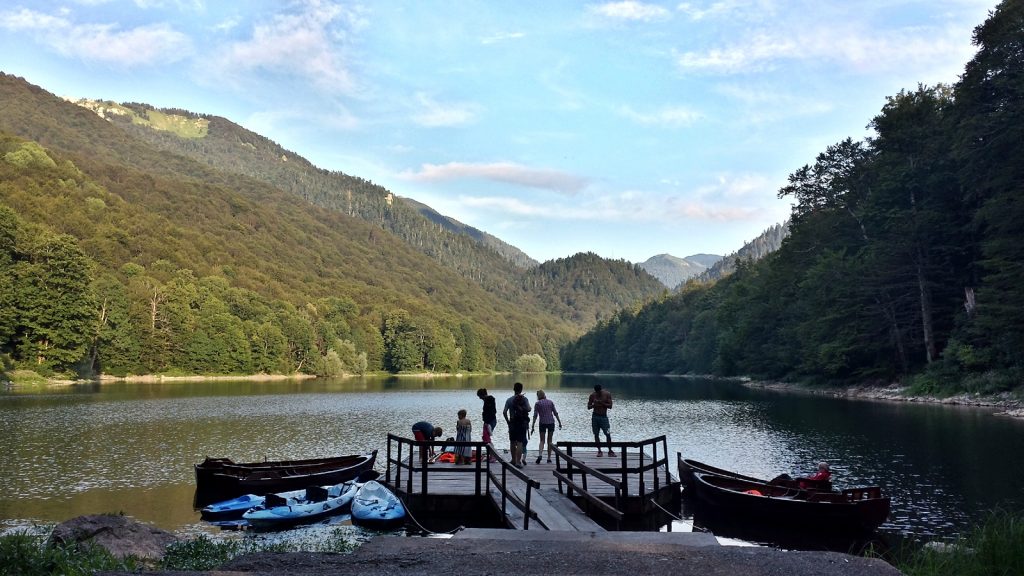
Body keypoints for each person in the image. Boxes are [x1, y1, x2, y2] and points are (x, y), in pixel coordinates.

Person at [502, 381, 531, 468]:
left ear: (514, 389)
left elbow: (504, 412)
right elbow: (529, 409)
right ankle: (518, 462)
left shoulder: (509, 400)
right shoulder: (524, 399)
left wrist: (508, 421)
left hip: (512, 422)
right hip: (522, 422)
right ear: (521, 389)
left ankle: (513, 460)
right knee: (520, 442)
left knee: (512, 442)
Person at [530, 390, 562, 464]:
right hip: (551, 422)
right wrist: (559, 422)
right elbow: (555, 413)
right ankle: (549, 458)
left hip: (542, 423)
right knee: (549, 441)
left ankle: (540, 455)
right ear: (544, 395)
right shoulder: (550, 402)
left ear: (538, 396)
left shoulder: (537, 404)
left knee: (542, 440)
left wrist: (533, 425)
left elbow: (535, 415)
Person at [587, 384, 614, 457]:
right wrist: (593, 405)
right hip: (595, 417)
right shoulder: (592, 395)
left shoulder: (607, 394)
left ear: (601, 390)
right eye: (596, 392)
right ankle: (599, 451)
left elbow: (610, 406)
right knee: (596, 434)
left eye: (599, 392)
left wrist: (601, 403)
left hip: (604, 417)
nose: (598, 393)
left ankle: (610, 451)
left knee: (608, 433)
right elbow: (588, 407)